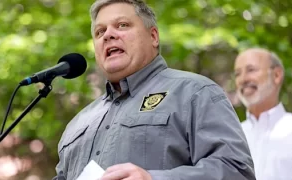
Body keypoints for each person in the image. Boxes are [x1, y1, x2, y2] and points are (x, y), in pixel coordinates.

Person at [55, 0, 255, 179]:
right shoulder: (78, 123)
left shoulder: (196, 92)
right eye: (100, 32)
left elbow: (236, 171)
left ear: (153, 37)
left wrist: (152, 178)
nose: (108, 35)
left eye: (122, 25)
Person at [234, 48, 292, 180]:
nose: (243, 79)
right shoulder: (233, 135)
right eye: (237, 74)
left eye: (251, 70)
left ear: (277, 75)